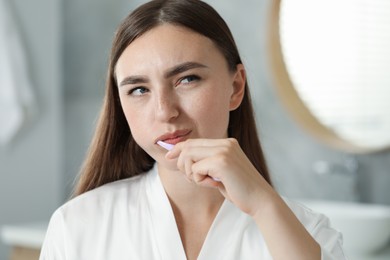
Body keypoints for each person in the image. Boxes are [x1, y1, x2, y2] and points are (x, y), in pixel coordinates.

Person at [40, 0, 345, 259]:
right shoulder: (77, 225)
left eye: (187, 79)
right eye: (138, 89)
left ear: (235, 87)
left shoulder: (307, 234)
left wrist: (264, 205)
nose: (164, 111)